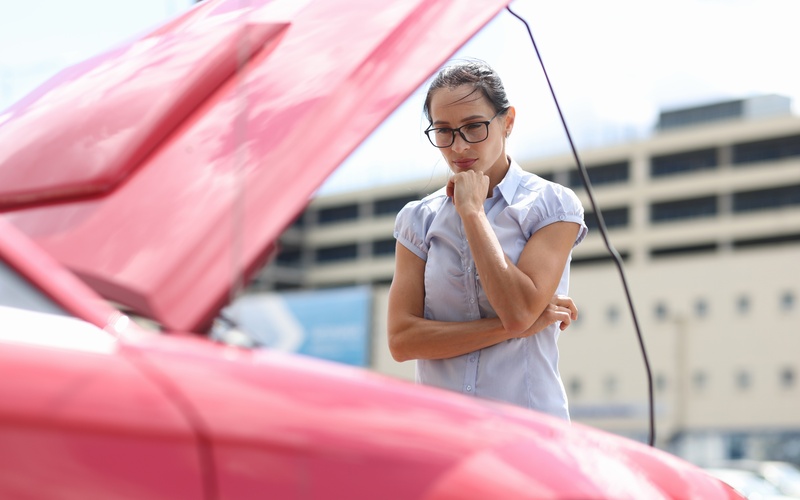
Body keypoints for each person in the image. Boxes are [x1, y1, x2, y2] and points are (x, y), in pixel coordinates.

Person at [387, 60, 587, 420]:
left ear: (507, 122)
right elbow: (402, 341)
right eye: (444, 131)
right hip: (442, 431)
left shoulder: (551, 205)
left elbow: (518, 310)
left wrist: (473, 213)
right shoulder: (418, 219)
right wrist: (516, 326)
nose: (459, 146)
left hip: (526, 429)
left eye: (474, 127)